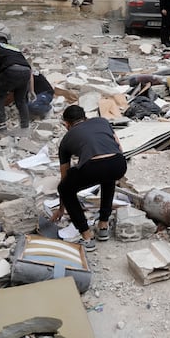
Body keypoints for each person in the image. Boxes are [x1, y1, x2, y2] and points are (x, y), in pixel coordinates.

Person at [51, 105, 127, 252]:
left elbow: (64, 177)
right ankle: (103, 225)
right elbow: (118, 146)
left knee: (65, 189)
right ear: (85, 117)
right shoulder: (102, 121)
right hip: (118, 163)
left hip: (93, 167)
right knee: (108, 176)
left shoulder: (66, 140)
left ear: (67, 124)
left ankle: (87, 236)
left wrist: (62, 208)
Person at [0, 41, 32, 131]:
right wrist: (32, 90)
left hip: (11, 70)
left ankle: (1, 124)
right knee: (21, 100)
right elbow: (29, 69)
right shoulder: (14, 48)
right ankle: (25, 126)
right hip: (26, 72)